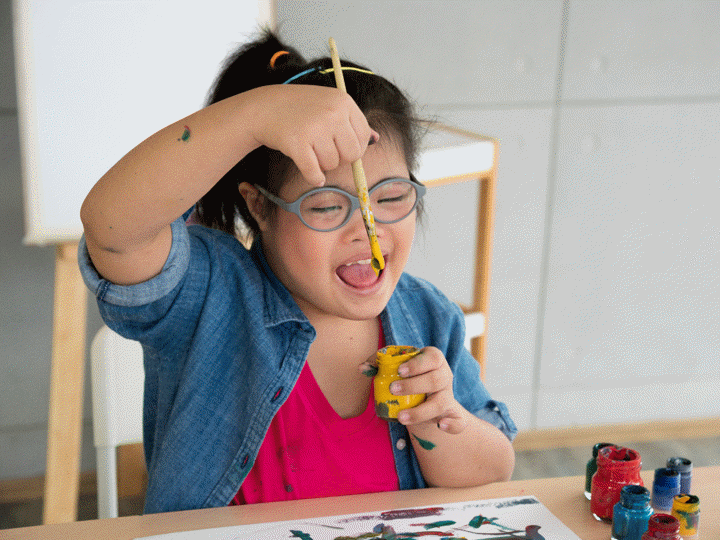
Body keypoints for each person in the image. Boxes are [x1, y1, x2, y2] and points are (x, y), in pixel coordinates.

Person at [79, 30, 517, 514]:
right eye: (327, 206)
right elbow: (112, 228)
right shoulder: (210, 297)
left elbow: (494, 471)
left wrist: (440, 419)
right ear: (259, 207)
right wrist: (256, 117)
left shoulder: (429, 316)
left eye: (391, 197)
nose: (368, 233)